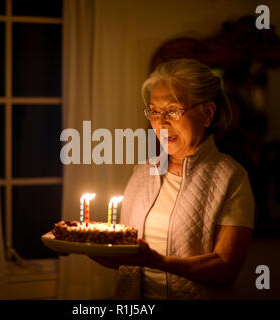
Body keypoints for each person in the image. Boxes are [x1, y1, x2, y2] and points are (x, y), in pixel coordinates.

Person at [90, 58, 255, 299]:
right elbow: (123, 257)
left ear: (207, 113)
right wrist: (83, 245)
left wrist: (159, 262)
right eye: (154, 111)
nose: (161, 123)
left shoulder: (231, 177)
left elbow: (225, 269)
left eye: (173, 110)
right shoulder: (143, 172)